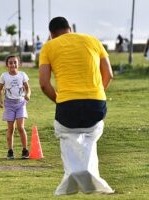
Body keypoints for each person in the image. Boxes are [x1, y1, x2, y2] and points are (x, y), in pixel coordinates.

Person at [39, 16, 114, 195]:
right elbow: (109, 74)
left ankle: (73, 174)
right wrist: (97, 93)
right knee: (90, 135)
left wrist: (58, 99)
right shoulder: (93, 41)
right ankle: (89, 174)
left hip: (67, 105)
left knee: (66, 135)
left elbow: (44, 83)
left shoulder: (48, 47)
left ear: (51, 34)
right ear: (70, 28)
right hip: (96, 104)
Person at [0, 55, 31, 160]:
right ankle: (10, 151)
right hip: (9, 105)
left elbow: (27, 88)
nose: (13, 64)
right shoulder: (4, 76)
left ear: (18, 64)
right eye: (10, 62)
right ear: (7, 64)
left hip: (21, 103)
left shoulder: (22, 75)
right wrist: (0, 100)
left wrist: (28, 94)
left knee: (21, 127)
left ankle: (25, 150)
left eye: (15, 62)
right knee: (11, 128)